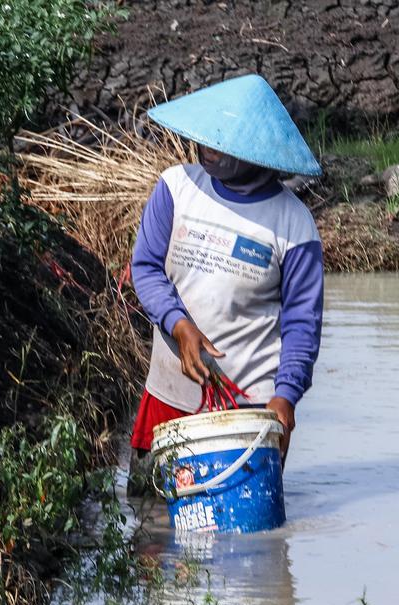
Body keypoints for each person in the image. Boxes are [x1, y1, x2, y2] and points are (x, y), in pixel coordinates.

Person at [129, 74, 325, 459]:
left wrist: (286, 396)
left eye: (222, 143)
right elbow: (147, 268)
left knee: (249, 519)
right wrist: (179, 325)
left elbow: (303, 324)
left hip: (249, 408)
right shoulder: (176, 188)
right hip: (173, 394)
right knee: (152, 515)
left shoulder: (294, 223)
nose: (207, 148)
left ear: (255, 153)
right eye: (207, 137)